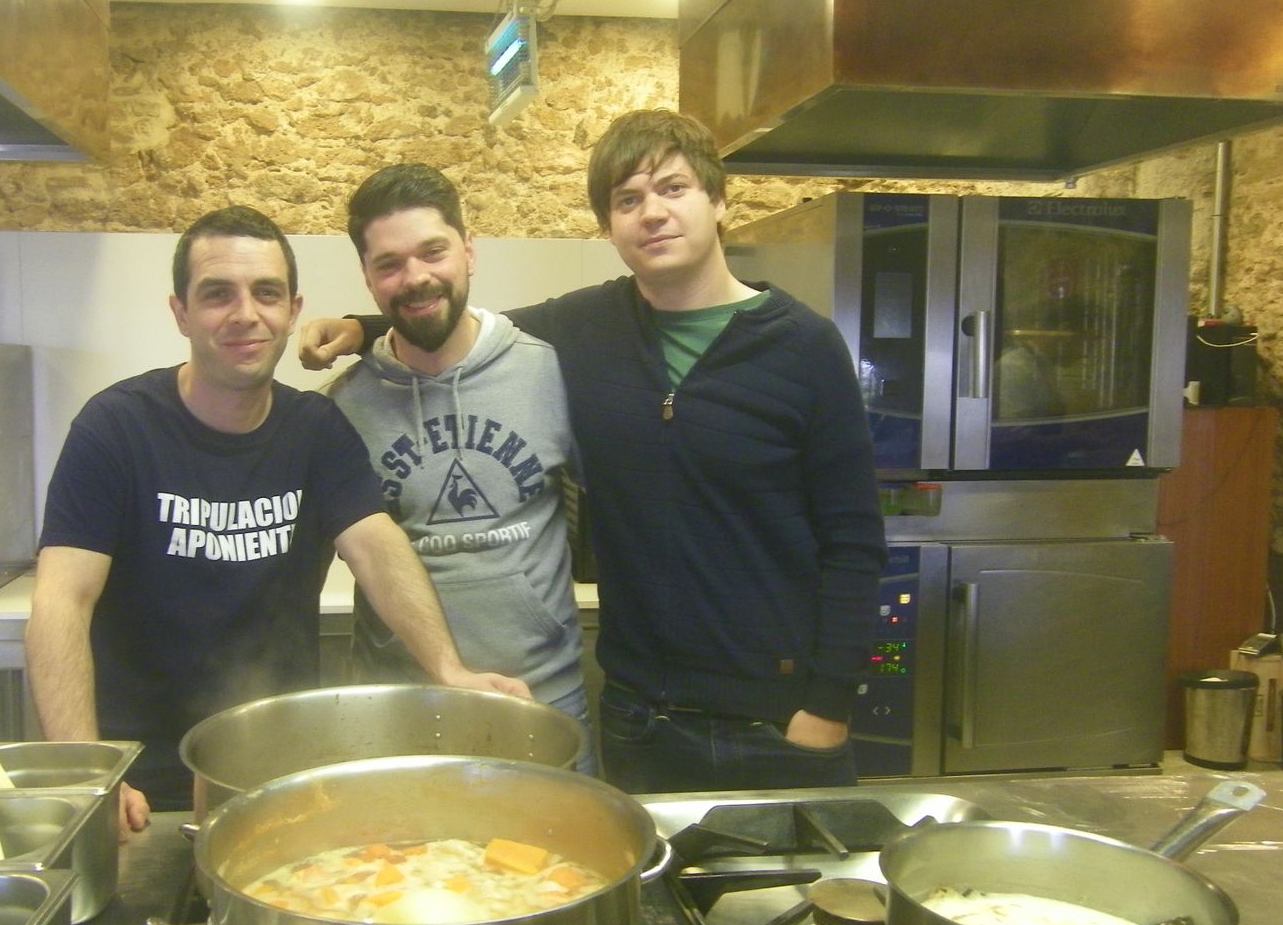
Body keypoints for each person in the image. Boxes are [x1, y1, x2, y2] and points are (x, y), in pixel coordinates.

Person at [301, 111, 886, 794]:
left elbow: (854, 541)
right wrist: (361, 329)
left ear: (720, 200)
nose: (652, 213)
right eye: (627, 199)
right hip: (641, 717)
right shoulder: (586, 328)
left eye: (673, 188)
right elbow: (447, 321)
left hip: (778, 717)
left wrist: (830, 703)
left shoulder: (804, 346)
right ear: (609, 226)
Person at [27, 205, 528, 834]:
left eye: (266, 293)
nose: (246, 314)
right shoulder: (116, 428)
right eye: (217, 294)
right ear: (181, 312)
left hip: (277, 771)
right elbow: (61, 600)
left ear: (292, 311)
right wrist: (89, 770)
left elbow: (377, 548)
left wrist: (448, 669)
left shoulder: (314, 430)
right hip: (140, 787)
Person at [320, 163, 593, 771]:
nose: (415, 277)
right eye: (389, 263)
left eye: (433, 252)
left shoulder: (549, 372)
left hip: (542, 706)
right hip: (398, 718)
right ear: (367, 278)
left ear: (469, 251)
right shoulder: (343, 406)